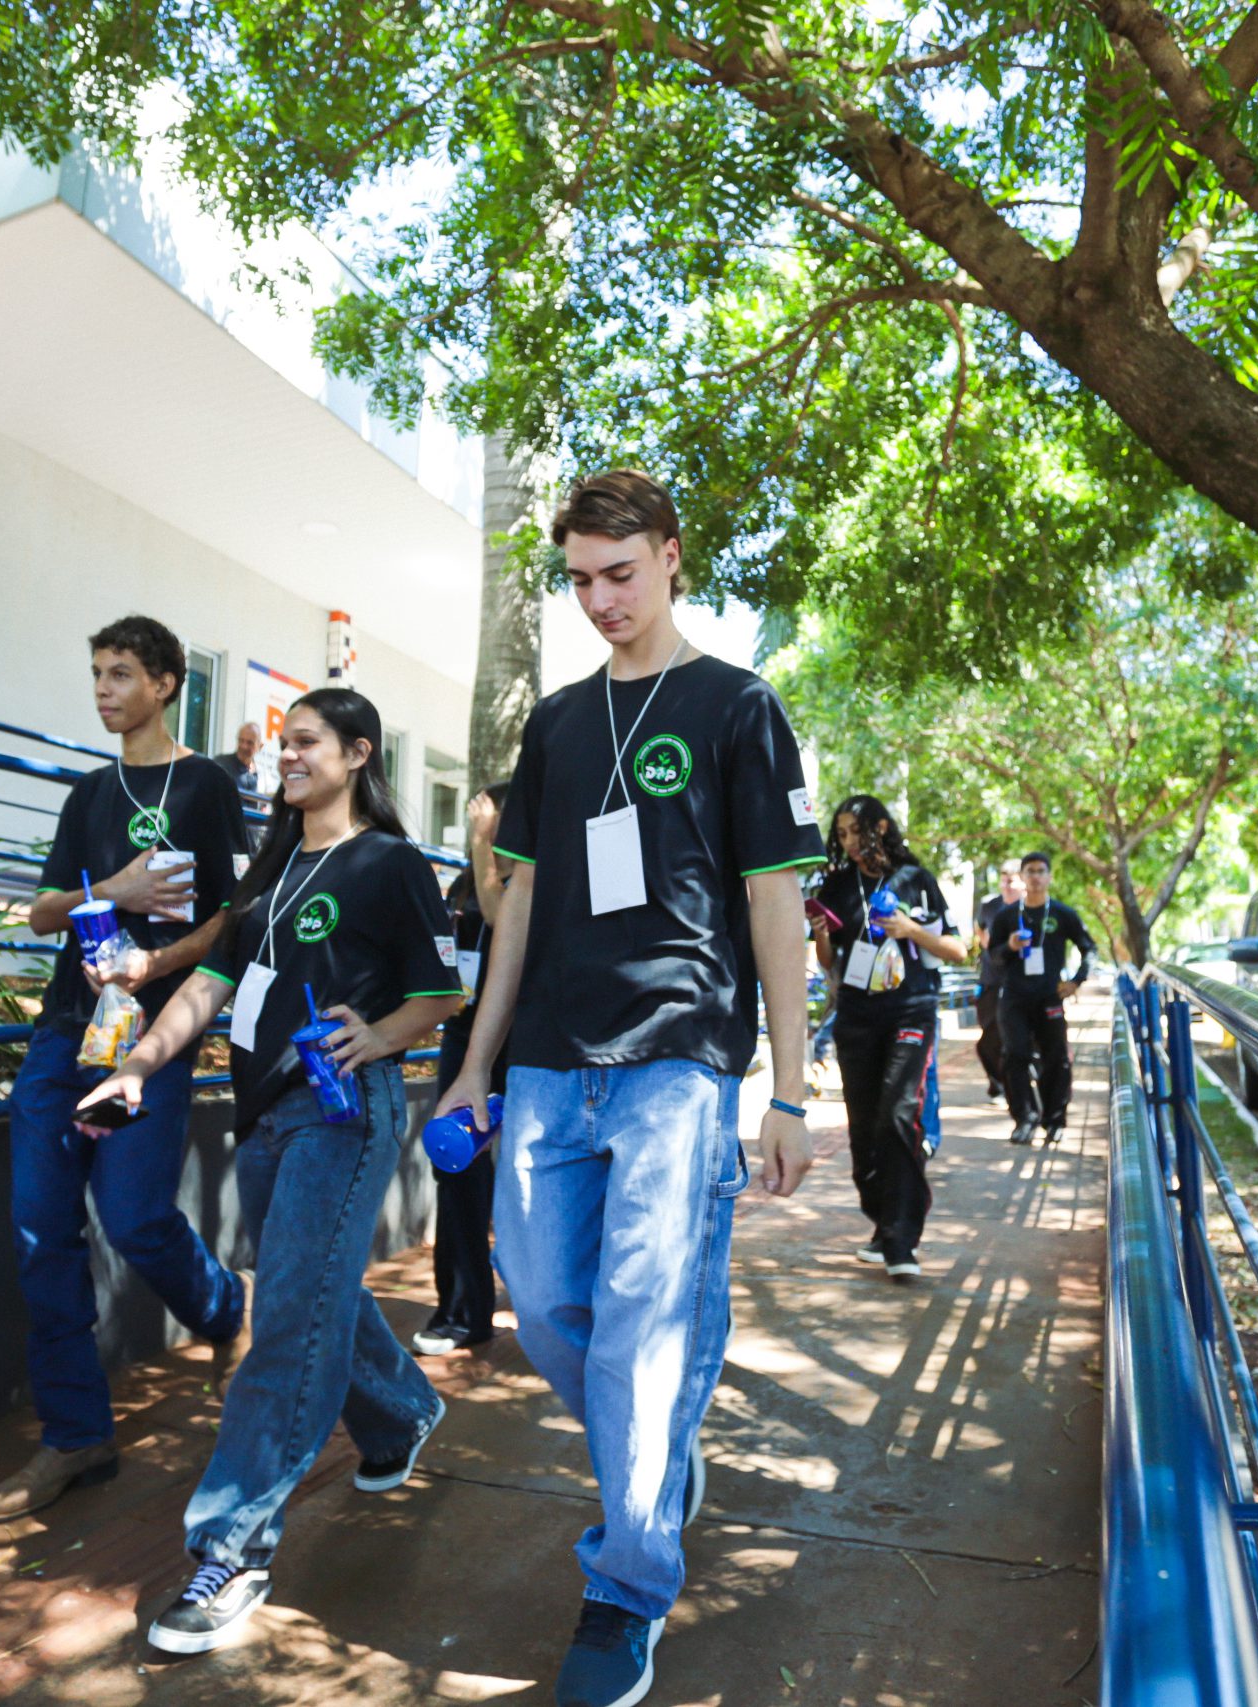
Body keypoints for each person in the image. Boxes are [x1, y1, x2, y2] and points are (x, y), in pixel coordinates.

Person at [435, 469, 825, 1707]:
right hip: (549, 1057)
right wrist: (475, 1062)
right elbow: (519, 902)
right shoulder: (556, 724)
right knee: (547, 1308)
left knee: (645, 1322)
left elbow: (775, 904)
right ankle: (650, 1461)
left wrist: (790, 1091)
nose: (601, 599)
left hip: (678, 1058)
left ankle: (627, 1577)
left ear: (669, 555)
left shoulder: (738, 706)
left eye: (620, 572)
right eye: (580, 580)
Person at [82, 688, 467, 1653]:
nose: (285, 756)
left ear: (358, 753)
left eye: (306, 742)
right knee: (315, 1285)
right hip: (262, 1117)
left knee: (288, 1316)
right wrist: (136, 1067)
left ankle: (233, 1546)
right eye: (283, 744)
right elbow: (211, 984)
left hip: (341, 1112)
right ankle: (401, 1412)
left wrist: (379, 1035)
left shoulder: (391, 862)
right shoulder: (271, 868)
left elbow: (442, 991)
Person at [0, 617, 250, 1523]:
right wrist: (114, 892)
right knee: (40, 1232)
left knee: (133, 1216)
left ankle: (225, 1307)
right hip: (65, 1034)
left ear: (166, 683)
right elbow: (40, 913)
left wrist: (153, 962)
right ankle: (75, 1435)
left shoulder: (206, 785)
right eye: (97, 671)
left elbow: (232, 919)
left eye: (122, 672)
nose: (103, 688)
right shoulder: (89, 792)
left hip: (150, 1037)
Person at [813, 796, 967, 1278]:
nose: (849, 842)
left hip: (911, 1010)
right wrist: (820, 933)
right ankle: (884, 1224)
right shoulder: (838, 885)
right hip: (856, 1016)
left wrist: (908, 929)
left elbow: (958, 950)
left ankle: (901, 1241)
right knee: (863, 1129)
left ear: (880, 827)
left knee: (898, 1115)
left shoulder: (916, 879)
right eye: (841, 834)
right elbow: (829, 963)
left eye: (856, 831)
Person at [415, 780, 510, 1357]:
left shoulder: (529, 879)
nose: (479, 816)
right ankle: (462, 1308)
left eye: (489, 812)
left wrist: (482, 843)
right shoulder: (464, 882)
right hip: (463, 1035)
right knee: (455, 1166)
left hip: (523, 1040)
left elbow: (501, 918)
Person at [984, 852, 1103, 1145]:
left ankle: (1054, 1120)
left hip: (1049, 997)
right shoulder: (1007, 916)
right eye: (1030, 871)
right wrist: (1010, 947)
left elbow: (1089, 948)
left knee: (1056, 1058)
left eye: (1040, 871)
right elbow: (993, 956)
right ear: (1022, 877)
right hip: (1014, 998)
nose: (1035, 877)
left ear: (1049, 877)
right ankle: (1025, 1118)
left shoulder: (1063, 913)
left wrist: (1076, 981)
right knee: (1015, 1055)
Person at [972, 860, 1024, 1098]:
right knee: (989, 1037)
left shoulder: (1031, 907)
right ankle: (998, 1082)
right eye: (1003, 880)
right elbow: (980, 930)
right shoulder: (989, 906)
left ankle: (1019, 1083)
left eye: (1011, 881)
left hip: (1020, 983)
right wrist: (987, 942)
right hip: (992, 980)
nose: (1007, 885)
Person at [213, 720, 265, 795]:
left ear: (260, 746)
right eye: (241, 740)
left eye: (250, 743)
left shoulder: (262, 775)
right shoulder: (220, 764)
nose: (244, 746)